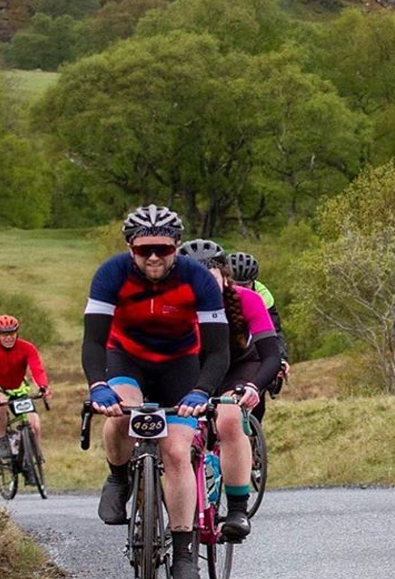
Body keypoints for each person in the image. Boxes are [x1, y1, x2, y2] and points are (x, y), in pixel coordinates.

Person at [82, 205, 232, 579]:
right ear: (130, 247)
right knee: (119, 415)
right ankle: (118, 478)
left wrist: (202, 390)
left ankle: (182, 552)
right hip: (126, 359)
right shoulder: (110, 274)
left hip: (180, 366)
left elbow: (218, 350)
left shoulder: (197, 278)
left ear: (176, 247)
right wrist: (97, 385)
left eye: (163, 249)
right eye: (143, 248)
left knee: (178, 451)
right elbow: (94, 341)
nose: (153, 256)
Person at [179, 239, 285, 539]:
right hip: (188, 370)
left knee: (228, 418)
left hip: (239, 368)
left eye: (209, 281)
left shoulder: (247, 300)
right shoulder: (170, 304)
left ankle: (238, 509)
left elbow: (271, 354)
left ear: (224, 277)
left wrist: (253, 387)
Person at [0, 314, 51, 462]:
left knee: (34, 425)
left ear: (16, 332)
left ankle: (32, 459)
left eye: (11, 333)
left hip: (17, 388)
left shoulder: (27, 348)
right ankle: (2, 439)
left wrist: (43, 386)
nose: (8, 338)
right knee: (1, 406)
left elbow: (36, 369)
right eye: (4, 334)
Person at [225, 251, 288, 420]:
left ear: (253, 282)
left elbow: (274, 331)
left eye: (245, 285)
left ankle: (253, 428)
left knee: (259, 371)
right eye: (234, 284)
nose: (239, 290)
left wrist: (281, 358)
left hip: (253, 343)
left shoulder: (262, 295)